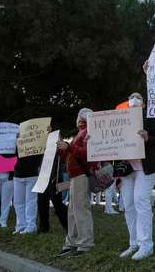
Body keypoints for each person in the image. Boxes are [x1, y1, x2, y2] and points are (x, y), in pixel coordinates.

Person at [118, 92, 155, 261]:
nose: (134, 99)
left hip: (146, 168)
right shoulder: (120, 120)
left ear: (143, 104)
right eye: (130, 97)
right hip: (127, 169)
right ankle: (134, 243)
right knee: (128, 204)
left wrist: (147, 138)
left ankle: (146, 245)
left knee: (141, 202)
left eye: (138, 97)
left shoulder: (149, 118)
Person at [57, 108, 97, 256]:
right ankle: (72, 241)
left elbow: (88, 154)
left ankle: (85, 242)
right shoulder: (81, 133)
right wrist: (62, 149)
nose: (79, 119)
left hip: (81, 174)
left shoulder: (88, 132)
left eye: (82, 117)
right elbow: (72, 152)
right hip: (76, 175)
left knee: (80, 209)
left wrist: (68, 147)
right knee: (73, 210)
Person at [13, 136, 46, 234]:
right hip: (18, 175)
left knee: (30, 201)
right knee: (18, 202)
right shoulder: (18, 143)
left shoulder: (37, 144)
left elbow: (41, 154)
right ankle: (21, 225)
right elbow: (8, 154)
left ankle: (31, 225)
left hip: (32, 175)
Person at [38, 154, 68, 233]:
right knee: (41, 202)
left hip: (54, 176)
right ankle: (43, 228)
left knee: (57, 203)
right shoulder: (40, 145)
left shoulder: (57, 144)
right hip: (43, 176)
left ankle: (68, 226)